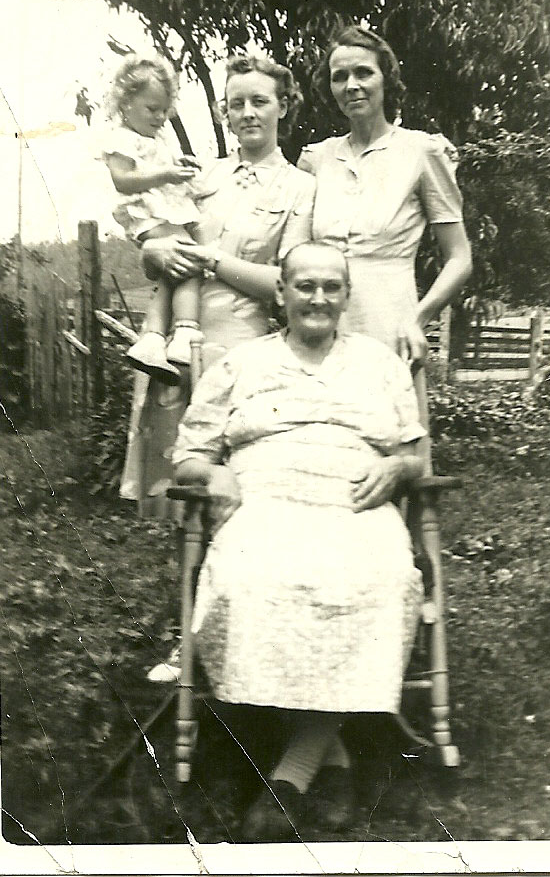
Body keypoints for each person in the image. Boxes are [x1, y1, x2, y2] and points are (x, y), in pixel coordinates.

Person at [172, 243, 427, 840]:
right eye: (305, 286)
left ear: (346, 295)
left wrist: (399, 470)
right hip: (265, 501)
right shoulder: (240, 364)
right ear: (280, 293)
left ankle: (291, 774)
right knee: (251, 580)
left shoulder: (378, 363)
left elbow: (412, 453)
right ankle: (329, 759)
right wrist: (215, 474)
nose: (318, 298)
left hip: (355, 503)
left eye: (331, 287)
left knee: (382, 581)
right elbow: (188, 455)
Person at [120, 53, 315, 520]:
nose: (248, 113)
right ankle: (190, 590)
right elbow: (155, 234)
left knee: (235, 490)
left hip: (240, 350)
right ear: (223, 114)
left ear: (283, 107)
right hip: (173, 350)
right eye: (236, 104)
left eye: (260, 102)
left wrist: (211, 258)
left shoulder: (300, 188)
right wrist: (153, 254)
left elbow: (285, 285)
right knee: (178, 491)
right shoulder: (199, 176)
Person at [298, 24, 472, 363]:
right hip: (320, 322)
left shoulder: (421, 152)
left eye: (364, 73)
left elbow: (460, 258)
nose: (351, 86)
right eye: (339, 76)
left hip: (391, 323)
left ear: (386, 79)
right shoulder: (316, 159)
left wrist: (418, 319)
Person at [102, 53, 206, 382]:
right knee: (190, 257)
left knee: (171, 271)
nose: (160, 117)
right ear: (125, 102)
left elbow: (166, 170)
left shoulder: (155, 139)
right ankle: (185, 332)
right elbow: (122, 179)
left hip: (161, 207)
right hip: (145, 212)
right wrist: (165, 175)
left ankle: (153, 339)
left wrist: (181, 166)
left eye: (164, 110)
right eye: (152, 109)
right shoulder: (121, 138)